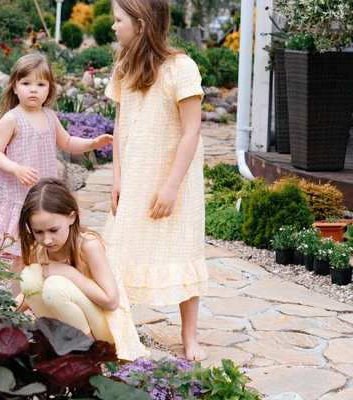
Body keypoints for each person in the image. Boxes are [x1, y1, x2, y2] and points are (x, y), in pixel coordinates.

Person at [103, 0, 208, 361]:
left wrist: (171, 187)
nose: (113, 27)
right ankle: (119, 327)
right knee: (117, 247)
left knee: (183, 247)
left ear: (141, 24)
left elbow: (191, 131)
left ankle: (190, 335)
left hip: (174, 177)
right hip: (135, 175)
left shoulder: (182, 68)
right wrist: (117, 178)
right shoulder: (123, 65)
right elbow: (119, 125)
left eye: (118, 20)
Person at [0, 52, 113, 297]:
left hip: (45, 199)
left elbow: (67, 142)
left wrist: (93, 143)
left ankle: (47, 297)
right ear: (15, 86)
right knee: (22, 258)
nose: (34, 90)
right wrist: (15, 168)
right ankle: (20, 304)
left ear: (49, 89)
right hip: (20, 200)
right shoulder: (12, 119)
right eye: (26, 83)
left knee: (48, 250)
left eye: (41, 84)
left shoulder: (49, 116)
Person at [16, 178, 147, 361]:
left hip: (105, 328)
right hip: (71, 323)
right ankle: (57, 340)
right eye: (38, 232)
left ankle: (88, 353)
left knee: (55, 285)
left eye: (53, 230)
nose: (46, 240)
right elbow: (31, 291)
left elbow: (111, 301)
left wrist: (70, 273)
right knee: (29, 276)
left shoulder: (88, 245)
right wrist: (7, 311)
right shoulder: (40, 248)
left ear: (71, 217)